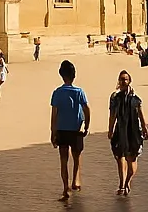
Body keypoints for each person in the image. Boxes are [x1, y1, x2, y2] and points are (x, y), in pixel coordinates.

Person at [50, 59, 90, 202]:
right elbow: (86, 109)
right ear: (74, 75)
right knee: (77, 156)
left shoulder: (57, 92)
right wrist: (87, 125)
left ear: (61, 75)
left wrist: (52, 132)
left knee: (63, 160)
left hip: (61, 129)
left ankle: (65, 188)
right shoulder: (79, 92)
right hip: (76, 129)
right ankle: (76, 180)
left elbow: (54, 114)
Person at [108, 70, 148, 196]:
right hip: (120, 130)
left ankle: (128, 181)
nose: (123, 81)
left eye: (125, 79)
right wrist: (110, 129)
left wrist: (145, 128)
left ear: (129, 81)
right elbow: (112, 115)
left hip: (133, 131)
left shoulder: (136, 99)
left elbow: (140, 114)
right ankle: (121, 184)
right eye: (121, 79)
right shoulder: (115, 98)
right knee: (120, 157)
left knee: (132, 159)